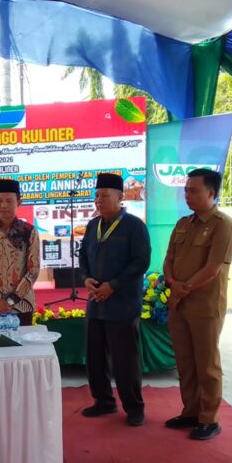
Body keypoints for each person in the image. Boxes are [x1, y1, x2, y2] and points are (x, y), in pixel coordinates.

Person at [163, 169, 232, 440]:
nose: (187, 195)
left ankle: (209, 418)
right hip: (179, 304)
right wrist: (172, 282)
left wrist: (183, 288)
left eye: (194, 191)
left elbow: (213, 268)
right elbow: (169, 259)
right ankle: (191, 411)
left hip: (205, 306)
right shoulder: (183, 223)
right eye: (186, 190)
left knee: (207, 364)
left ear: (211, 193)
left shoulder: (224, 225)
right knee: (185, 362)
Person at [79, 173, 151, 426]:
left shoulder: (134, 226)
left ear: (120, 197)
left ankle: (134, 407)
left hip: (122, 304)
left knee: (125, 360)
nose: (99, 200)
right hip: (96, 302)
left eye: (105, 196)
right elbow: (83, 257)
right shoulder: (92, 225)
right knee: (95, 356)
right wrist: (86, 279)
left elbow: (141, 262)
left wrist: (113, 285)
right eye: (97, 196)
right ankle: (104, 401)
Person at [0, 178, 40, 327]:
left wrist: (10, 300)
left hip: (22, 304)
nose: (4, 205)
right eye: (0, 201)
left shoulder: (29, 231)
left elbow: (33, 270)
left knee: (23, 341)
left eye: (9, 201)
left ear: (19, 202)